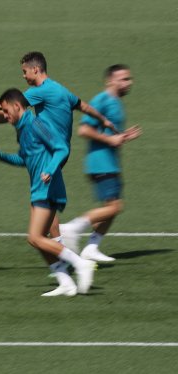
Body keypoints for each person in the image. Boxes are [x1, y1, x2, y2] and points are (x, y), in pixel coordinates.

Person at [0, 51, 115, 245]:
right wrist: (103, 119)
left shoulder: (42, 90)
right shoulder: (61, 89)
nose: (23, 76)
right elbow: (84, 106)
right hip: (55, 149)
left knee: (40, 206)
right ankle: (60, 248)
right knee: (45, 200)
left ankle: (62, 252)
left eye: (25, 72)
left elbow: (8, 104)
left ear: (36, 69)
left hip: (49, 150)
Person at [0, 88, 96, 297]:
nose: (5, 115)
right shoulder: (21, 129)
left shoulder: (37, 124)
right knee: (38, 239)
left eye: (6, 111)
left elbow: (61, 148)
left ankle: (81, 264)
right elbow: (25, 160)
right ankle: (65, 282)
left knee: (35, 238)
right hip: (38, 188)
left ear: (17, 106)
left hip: (48, 187)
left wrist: (50, 169)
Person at [60, 65, 142, 261]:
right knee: (115, 207)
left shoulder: (116, 102)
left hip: (111, 163)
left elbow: (109, 135)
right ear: (110, 81)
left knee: (111, 208)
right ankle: (73, 227)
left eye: (129, 79)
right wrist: (111, 140)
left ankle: (92, 247)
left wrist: (122, 137)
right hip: (100, 162)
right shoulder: (102, 100)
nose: (128, 83)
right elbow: (84, 130)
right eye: (123, 79)